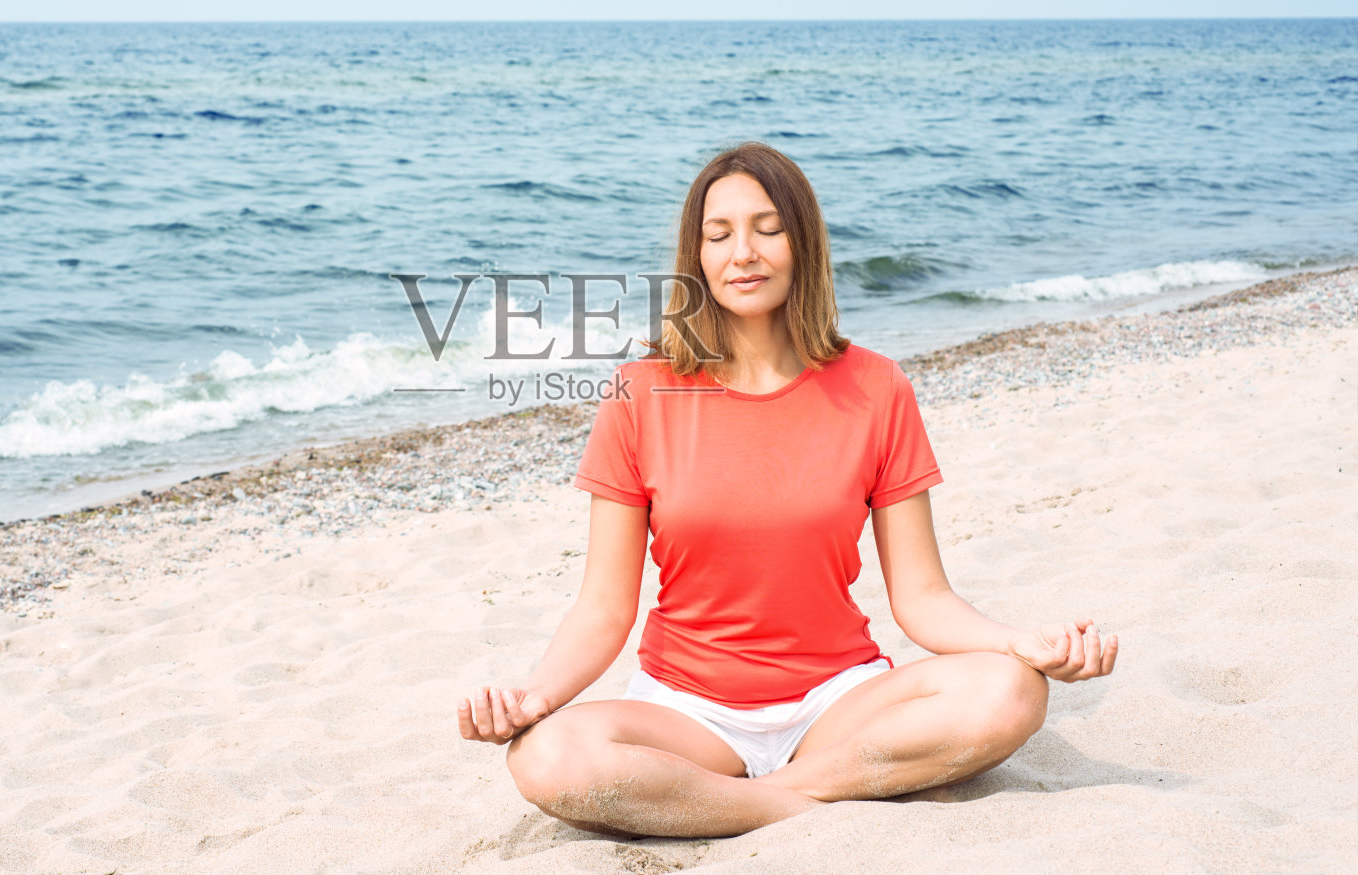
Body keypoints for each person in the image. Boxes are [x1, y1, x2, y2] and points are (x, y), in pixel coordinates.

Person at [457, 142, 1118, 838]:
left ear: (803, 241)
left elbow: (923, 597)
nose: (743, 251)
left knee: (1011, 689)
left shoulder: (877, 388)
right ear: (698, 256)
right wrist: (535, 696)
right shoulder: (640, 393)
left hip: (838, 702)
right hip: (686, 710)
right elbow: (602, 606)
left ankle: (751, 799)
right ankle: (805, 800)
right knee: (546, 755)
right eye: (719, 235)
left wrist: (1024, 642)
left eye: (767, 227)